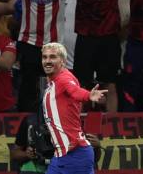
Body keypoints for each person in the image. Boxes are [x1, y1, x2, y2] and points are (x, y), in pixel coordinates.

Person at [0, 0, 102, 112]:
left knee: (58, 86)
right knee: (28, 88)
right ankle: (25, 125)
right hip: (29, 42)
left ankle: (60, 120)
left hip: (54, 44)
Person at [41, 42, 107, 174]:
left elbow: (75, 91)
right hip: (61, 155)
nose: (47, 61)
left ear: (63, 61)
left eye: (53, 57)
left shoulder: (64, 78)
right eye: (44, 57)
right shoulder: (53, 82)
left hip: (75, 154)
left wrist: (89, 95)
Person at [70, 0, 123, 112]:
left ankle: (111, 131)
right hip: (87, 37)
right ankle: (77, 127)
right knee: (81, 86)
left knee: (110, 85)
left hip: (109, 37)